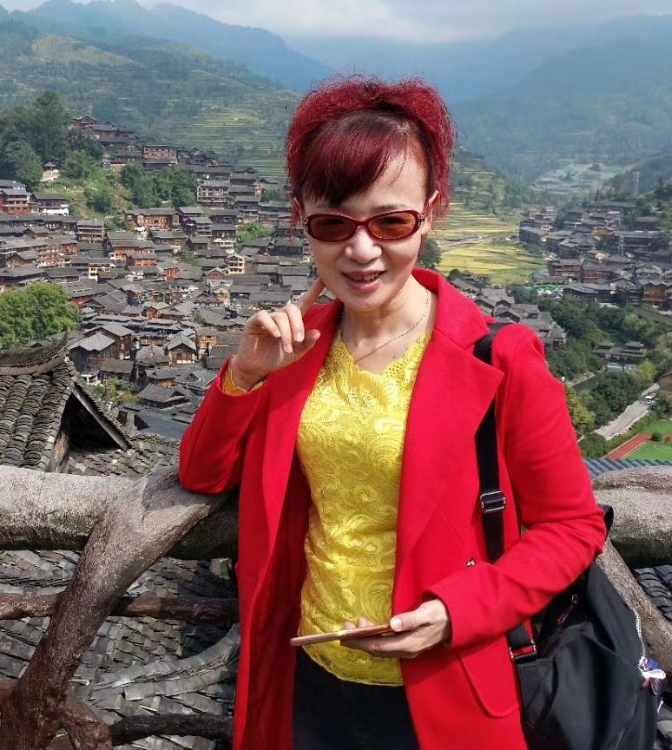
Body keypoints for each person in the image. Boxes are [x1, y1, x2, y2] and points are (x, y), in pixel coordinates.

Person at [179, 75, 607, 750]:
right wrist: (246, 375)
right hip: (308, 680)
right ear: (301, 220)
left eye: (391, 222)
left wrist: (457, 611)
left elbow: (572, 526)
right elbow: (203, 474)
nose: (361, 250)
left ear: (431, 213)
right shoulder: (297, 349)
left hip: (446, 687)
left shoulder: (500, 359)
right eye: (333, 224)